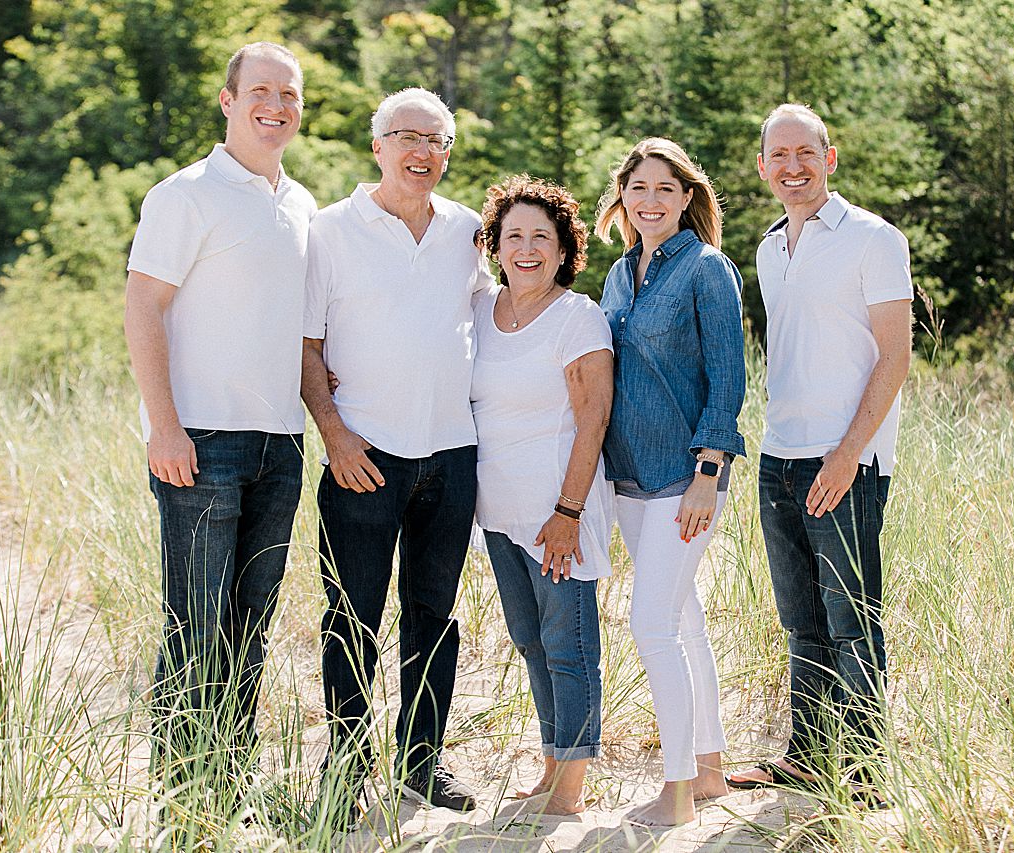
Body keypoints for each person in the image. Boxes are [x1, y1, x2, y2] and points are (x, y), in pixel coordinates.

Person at [123, 42, 316, 791]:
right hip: (200, 442)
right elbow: (144, 302)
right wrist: (163, 426)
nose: (277, 104)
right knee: (196, 627)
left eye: (291, 94)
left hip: (280, 445)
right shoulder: (186, 193)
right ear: (229, 99)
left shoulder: (298, 203)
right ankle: (185, 792)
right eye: (262, 90)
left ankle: (228, 779)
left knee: (249, 631)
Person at [301, 87, 492, 813]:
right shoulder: (328, 230)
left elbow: (498, 315)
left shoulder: (468, 231)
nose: (421, 151)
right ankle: (346, 769)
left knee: (434, 616)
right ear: (376, 145)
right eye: (406, 136)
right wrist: (335, 433)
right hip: (362, 456)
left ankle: (423, 763)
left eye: (436, 140)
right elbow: (308, 346)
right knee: (352, 617)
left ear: (447, 153)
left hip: (451, 456)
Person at [725, 104, 912, 802]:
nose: (793, 166)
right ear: (763, 166)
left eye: (806, 152)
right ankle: (808, 755)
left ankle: (867, 776)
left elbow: (895, 356)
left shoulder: (873, 238)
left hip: (846, 461)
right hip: (780, 456)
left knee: (852, 618)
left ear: (828, 159)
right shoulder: (772, 247)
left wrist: (848, 453)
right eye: (779, 155)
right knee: (801, 618)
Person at [595, 138, 747, 826]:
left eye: (664, 188)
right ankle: (710, 767)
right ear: (622, 198)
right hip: (627, 476)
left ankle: (679, 791)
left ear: (688, 197)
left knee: (651, 623)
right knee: (683, 619)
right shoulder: (620, 274)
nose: (649, 200)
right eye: (638, 188)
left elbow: (729, 380)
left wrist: (709, 473)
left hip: (686, 478)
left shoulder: (708, 270)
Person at [471, 175, 614, 817]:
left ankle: (573, 785)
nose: (527, 248)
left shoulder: (578, 317)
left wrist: (568, 512)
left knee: (569, 642)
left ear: (563, 250)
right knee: (530, 640)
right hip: (498, 514)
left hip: (557, 512)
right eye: (514, 236)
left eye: (542, 237)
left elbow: (594, 419)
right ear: (495, 245)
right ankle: (552, 760)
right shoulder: (481, 310)